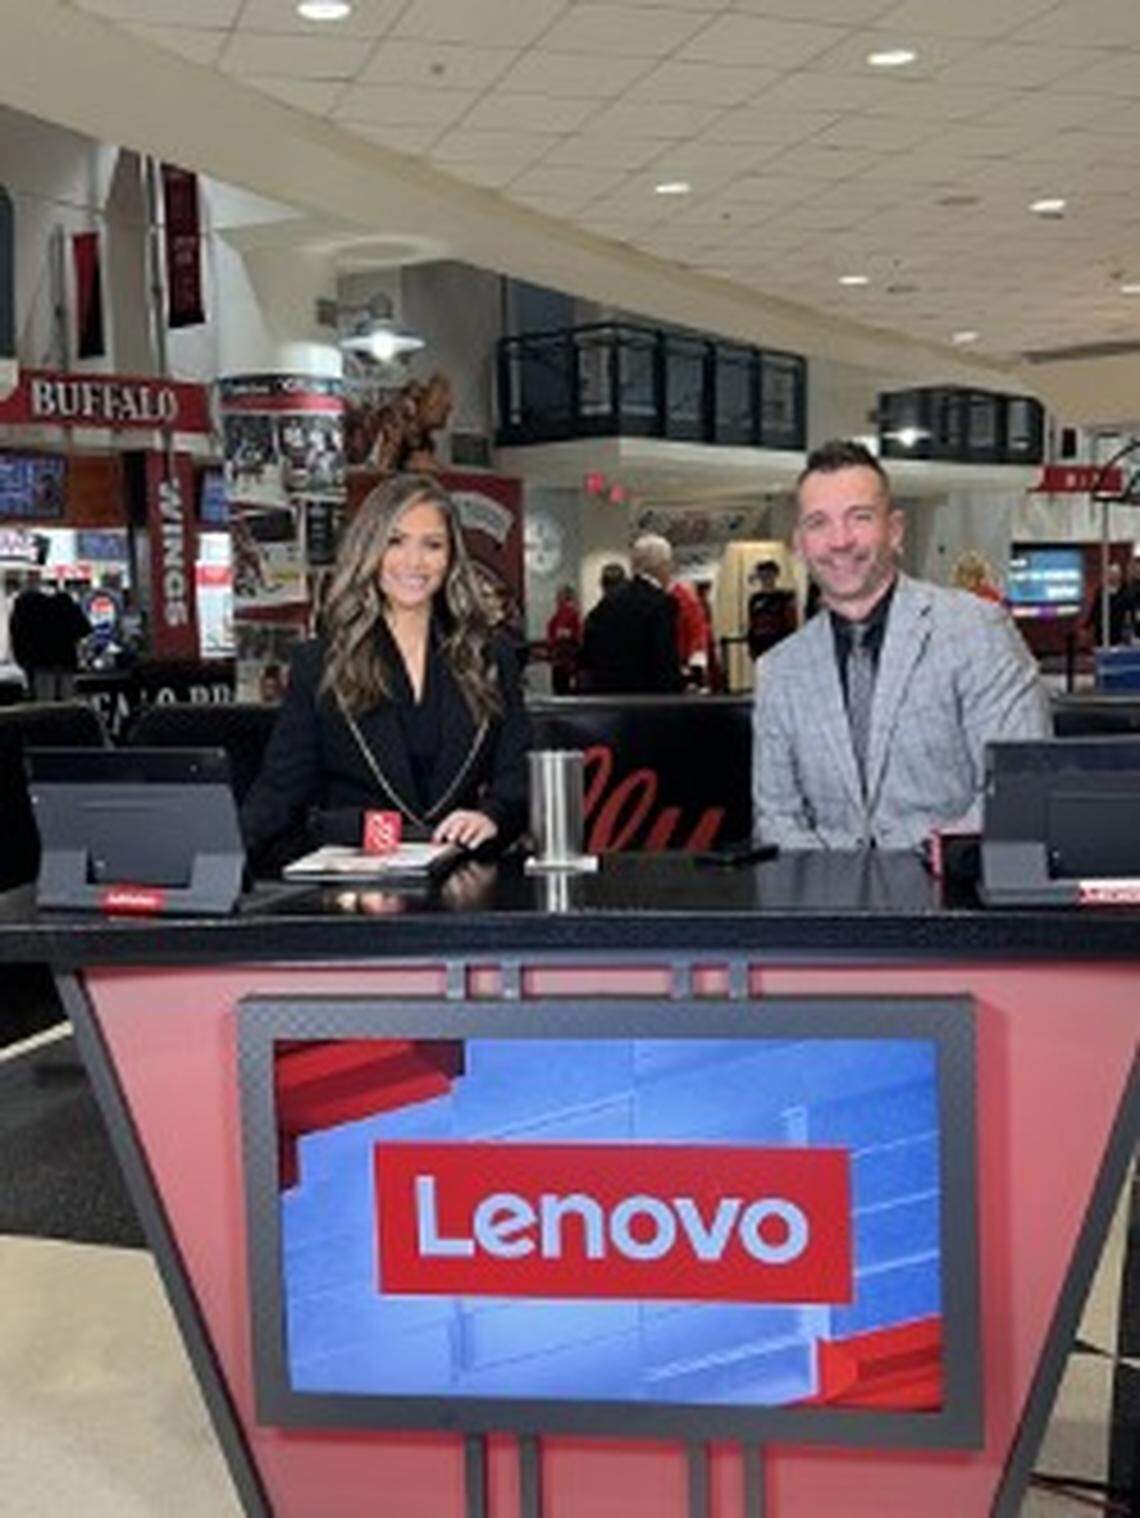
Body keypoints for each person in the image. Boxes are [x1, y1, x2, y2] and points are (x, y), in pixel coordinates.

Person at [753, 439, 1051, 851]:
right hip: (830, 904)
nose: (839, 540)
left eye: (859, 517)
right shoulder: (780, 669)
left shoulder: (977, 631)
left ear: (894, 530)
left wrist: (918, 876)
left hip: (953, 899)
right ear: (801, 544)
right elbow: (777, 819)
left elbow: (1020, 787)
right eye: (818, 523)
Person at [241, 475, 530, 875]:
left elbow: (517, 779)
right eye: (395, 541)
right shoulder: (320, 663)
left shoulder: (491, 657)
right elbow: (279, 794)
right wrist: (215, 869)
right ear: (370, 550)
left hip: (465, 884)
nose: (415, 562)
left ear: (450, 559)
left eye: (432, 545)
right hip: (355, 894)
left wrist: (492, 817)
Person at [578, 536, 683, 695]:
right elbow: (664, 663)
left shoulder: (606, 604)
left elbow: (588, 654)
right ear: (660, 566)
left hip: (610, 701)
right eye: (669, 564)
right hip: (648, 702)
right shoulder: (661, 604)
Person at [9, 575, 92, 700]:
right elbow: (84, 629)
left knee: (45, 706)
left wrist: (23, 660)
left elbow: (17, 635)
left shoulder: (23, 605)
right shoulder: (65, 601)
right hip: (65, 661)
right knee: (67, 703)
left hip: (39, 662)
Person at [746, 559, 797, 659]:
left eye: (769, 575)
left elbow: (790, 623)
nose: (766, 579)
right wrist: (752, 644)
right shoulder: (755, 599)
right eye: (763, 575)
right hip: (760, 643)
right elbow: (752, 622)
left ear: (775, 576)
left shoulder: (784, 598)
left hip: (779, 641)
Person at [545, 584, 582, 695]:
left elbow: (564, 637)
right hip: (563, 663)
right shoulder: (562, 616)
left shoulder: (568, 616)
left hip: (564, 664)